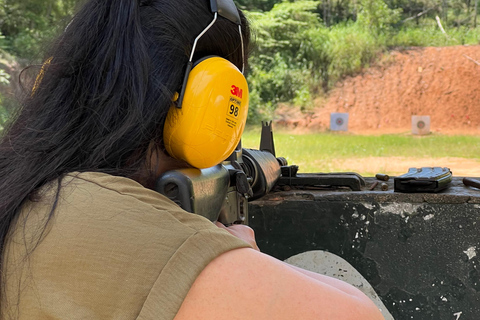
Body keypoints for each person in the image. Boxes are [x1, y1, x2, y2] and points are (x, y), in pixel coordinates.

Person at [0, 0, 385, 319]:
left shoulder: (35, 186)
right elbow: (358, 313)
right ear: (209, 106)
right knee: (319, 262)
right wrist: (237, 251)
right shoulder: (94, 215)